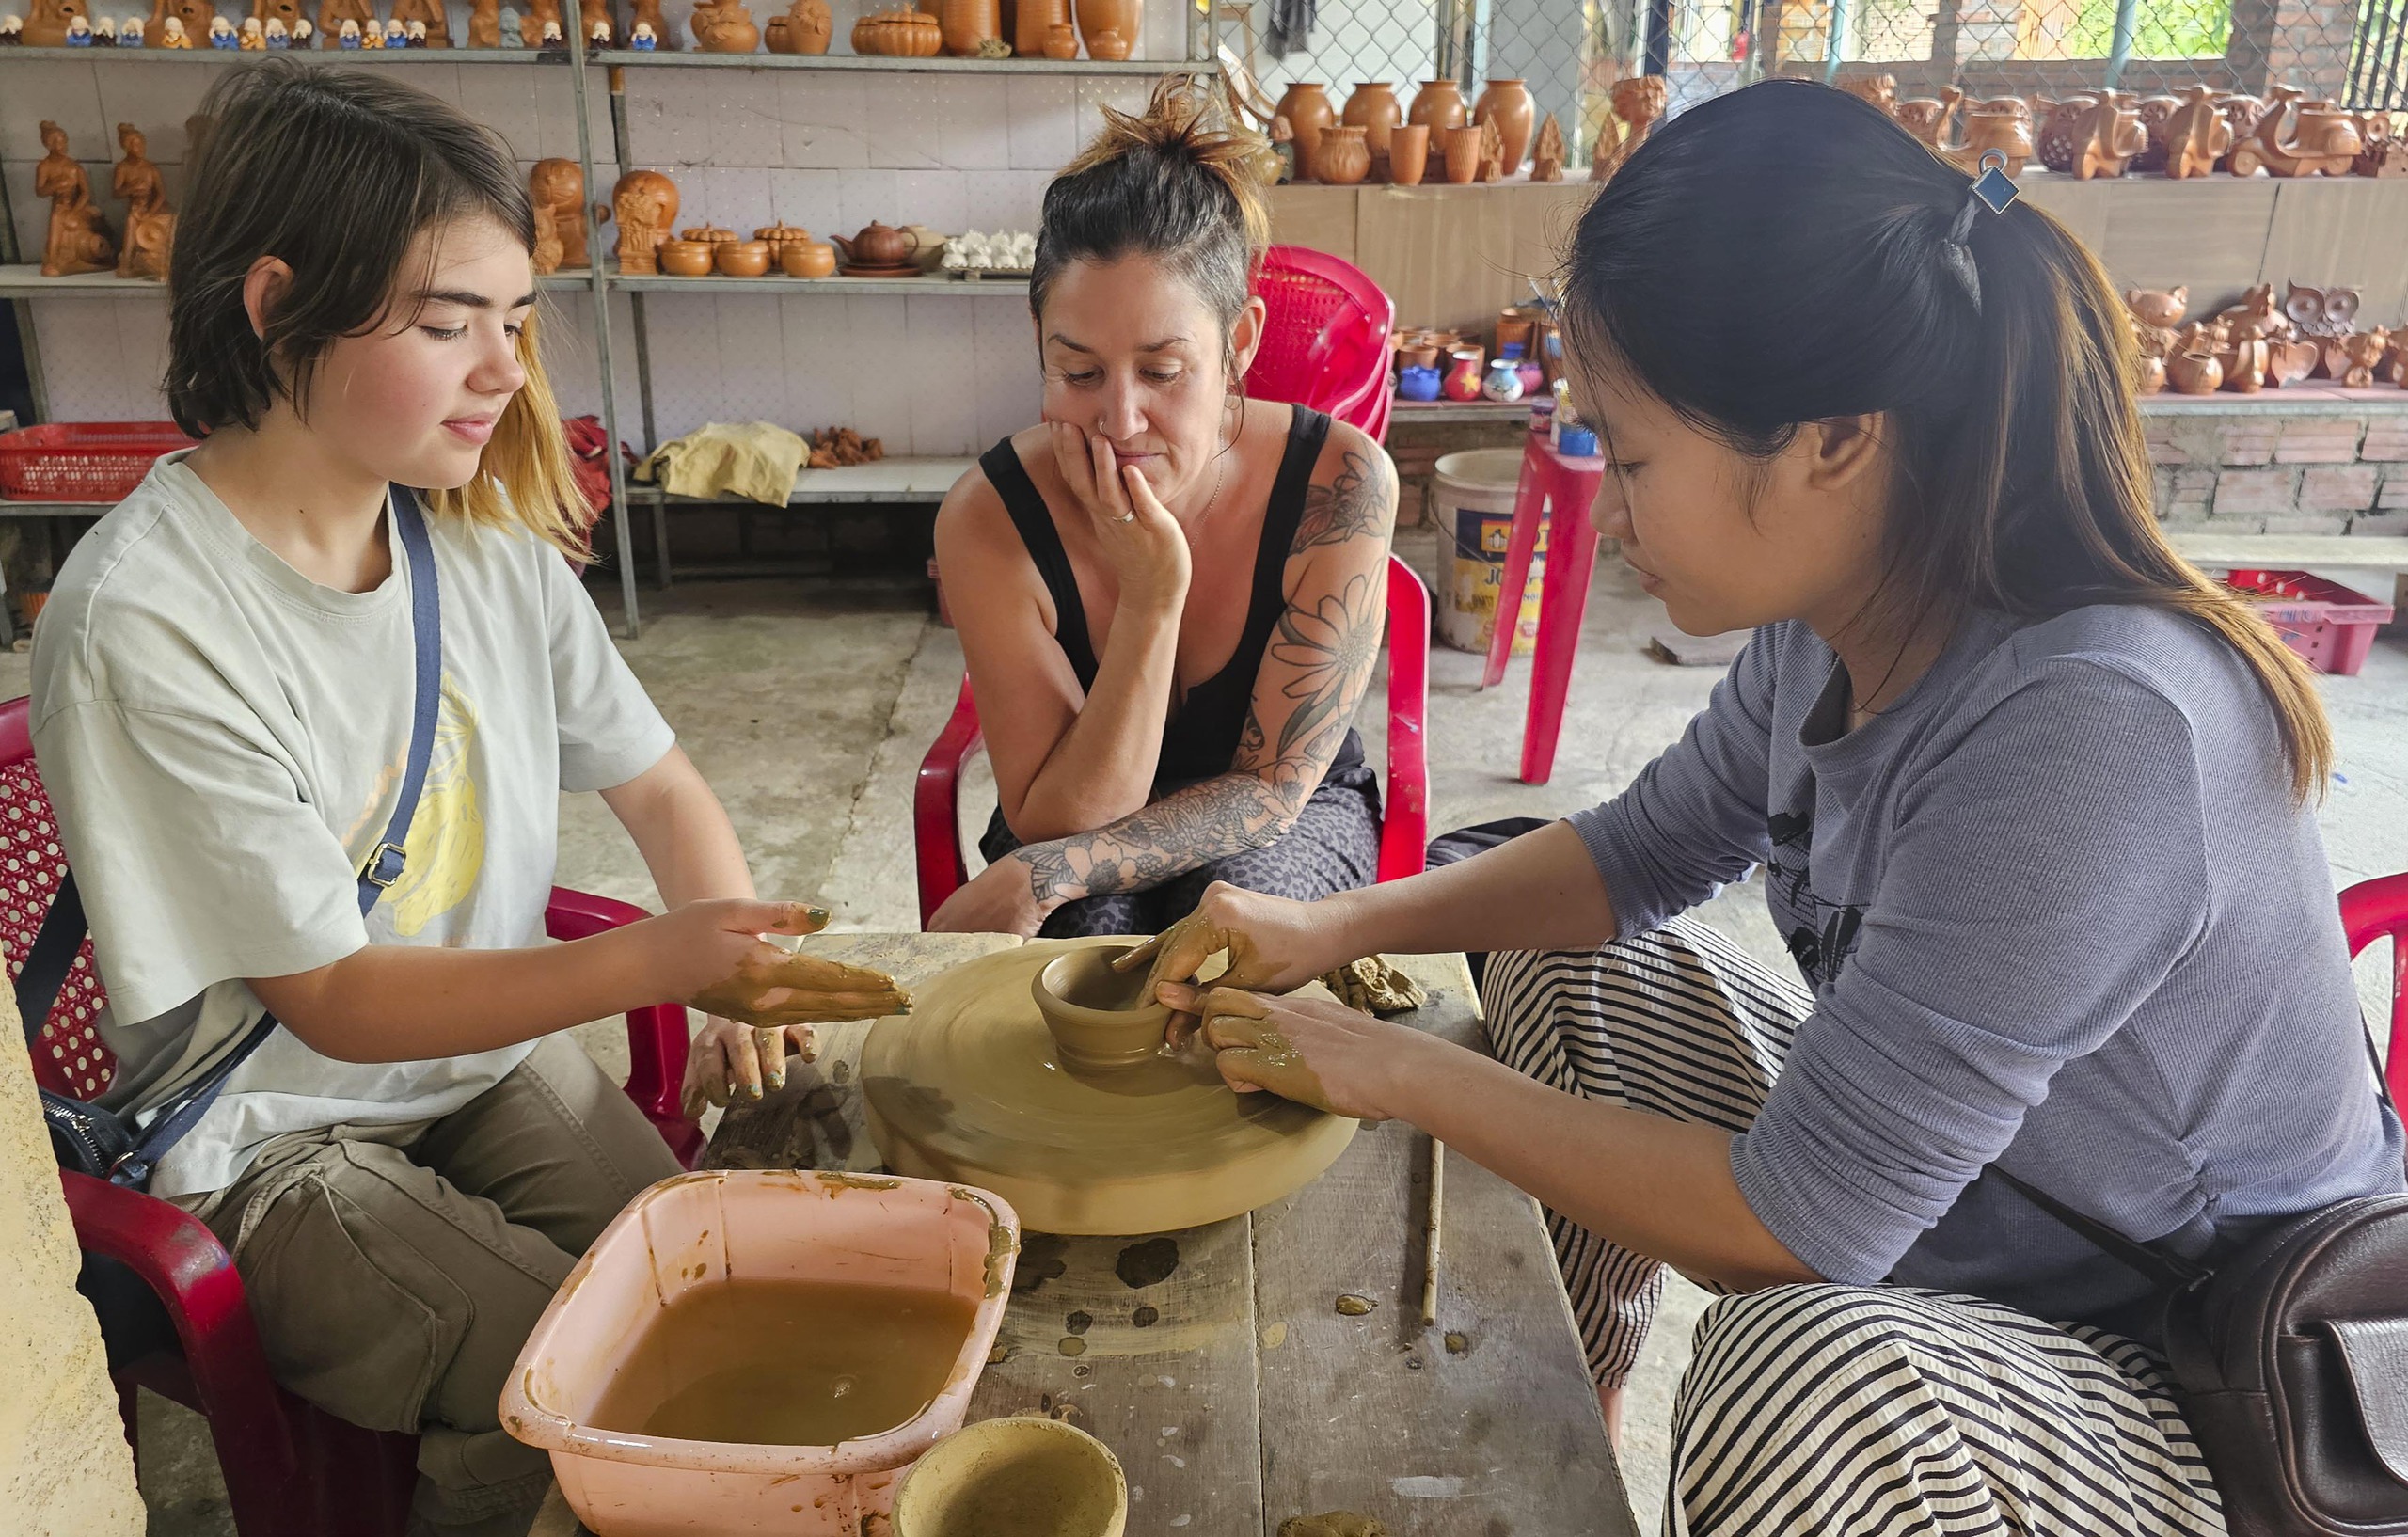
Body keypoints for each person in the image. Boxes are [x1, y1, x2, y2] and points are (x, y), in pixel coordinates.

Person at [1129, 81, 2406, 1536]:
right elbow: (1641, 855)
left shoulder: (2093, 729)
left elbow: (1794, 1231)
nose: (1604, 512)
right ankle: (1556, 1426)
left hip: (2217, 1373)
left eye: (1636, 453)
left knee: (1803, 1378)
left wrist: (1383, 1064)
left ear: (1833, 441)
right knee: (1563, 960)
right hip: (1983, 1216)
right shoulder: (1845, 611)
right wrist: (1328, 922)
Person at [30, 60, 896, 1536]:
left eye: (515, 321)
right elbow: (340, 1002)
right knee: (606, 1381)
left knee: (717, 1280)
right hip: (271, 1134)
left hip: (481, 1066)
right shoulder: (148, 620)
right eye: (447, 324)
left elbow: (663, 779)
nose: (503, 370)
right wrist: (663, 961)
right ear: (275, 303)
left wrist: (729, 930)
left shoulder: (478, 547)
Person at [927, 77, 1398, 940]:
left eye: (1162, 371)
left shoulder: (1338, 482)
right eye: (1077, 372)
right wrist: (1151, 598)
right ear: (1038, 347)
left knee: (1235, 938)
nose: (1118, 420)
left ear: (1240, 342)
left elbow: (1272, 790)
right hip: (1067, 824)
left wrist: (1057, 872)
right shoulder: (990, 520)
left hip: (1280, 817)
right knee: (1085, 960)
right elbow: (1061, 818)